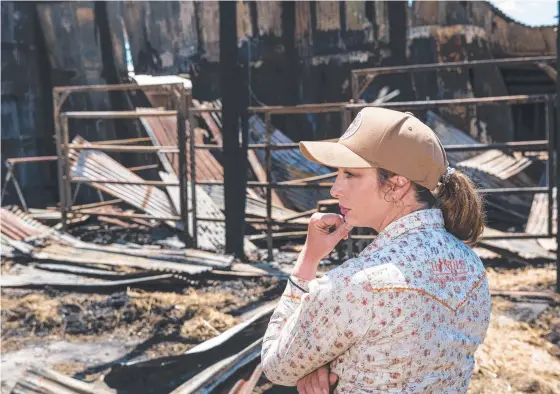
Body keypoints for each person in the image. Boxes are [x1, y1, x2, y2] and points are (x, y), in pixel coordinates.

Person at [261, 108, 491, 393]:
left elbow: (275, 366)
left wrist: (308, 260)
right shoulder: (472, 268)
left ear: (396, 185)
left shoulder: (355, 285)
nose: (335, 189)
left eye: (350, 174)